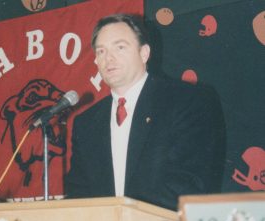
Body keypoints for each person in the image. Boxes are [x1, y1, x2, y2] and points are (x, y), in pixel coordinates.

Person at [65, 13, 226, 211]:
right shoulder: (87, 122)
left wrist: (127, 217)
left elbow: (191, 182)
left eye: (120, 47)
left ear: (144, 53)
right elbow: (79, 193)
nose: (109, 58)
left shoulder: (187, 100)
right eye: (101, 51)